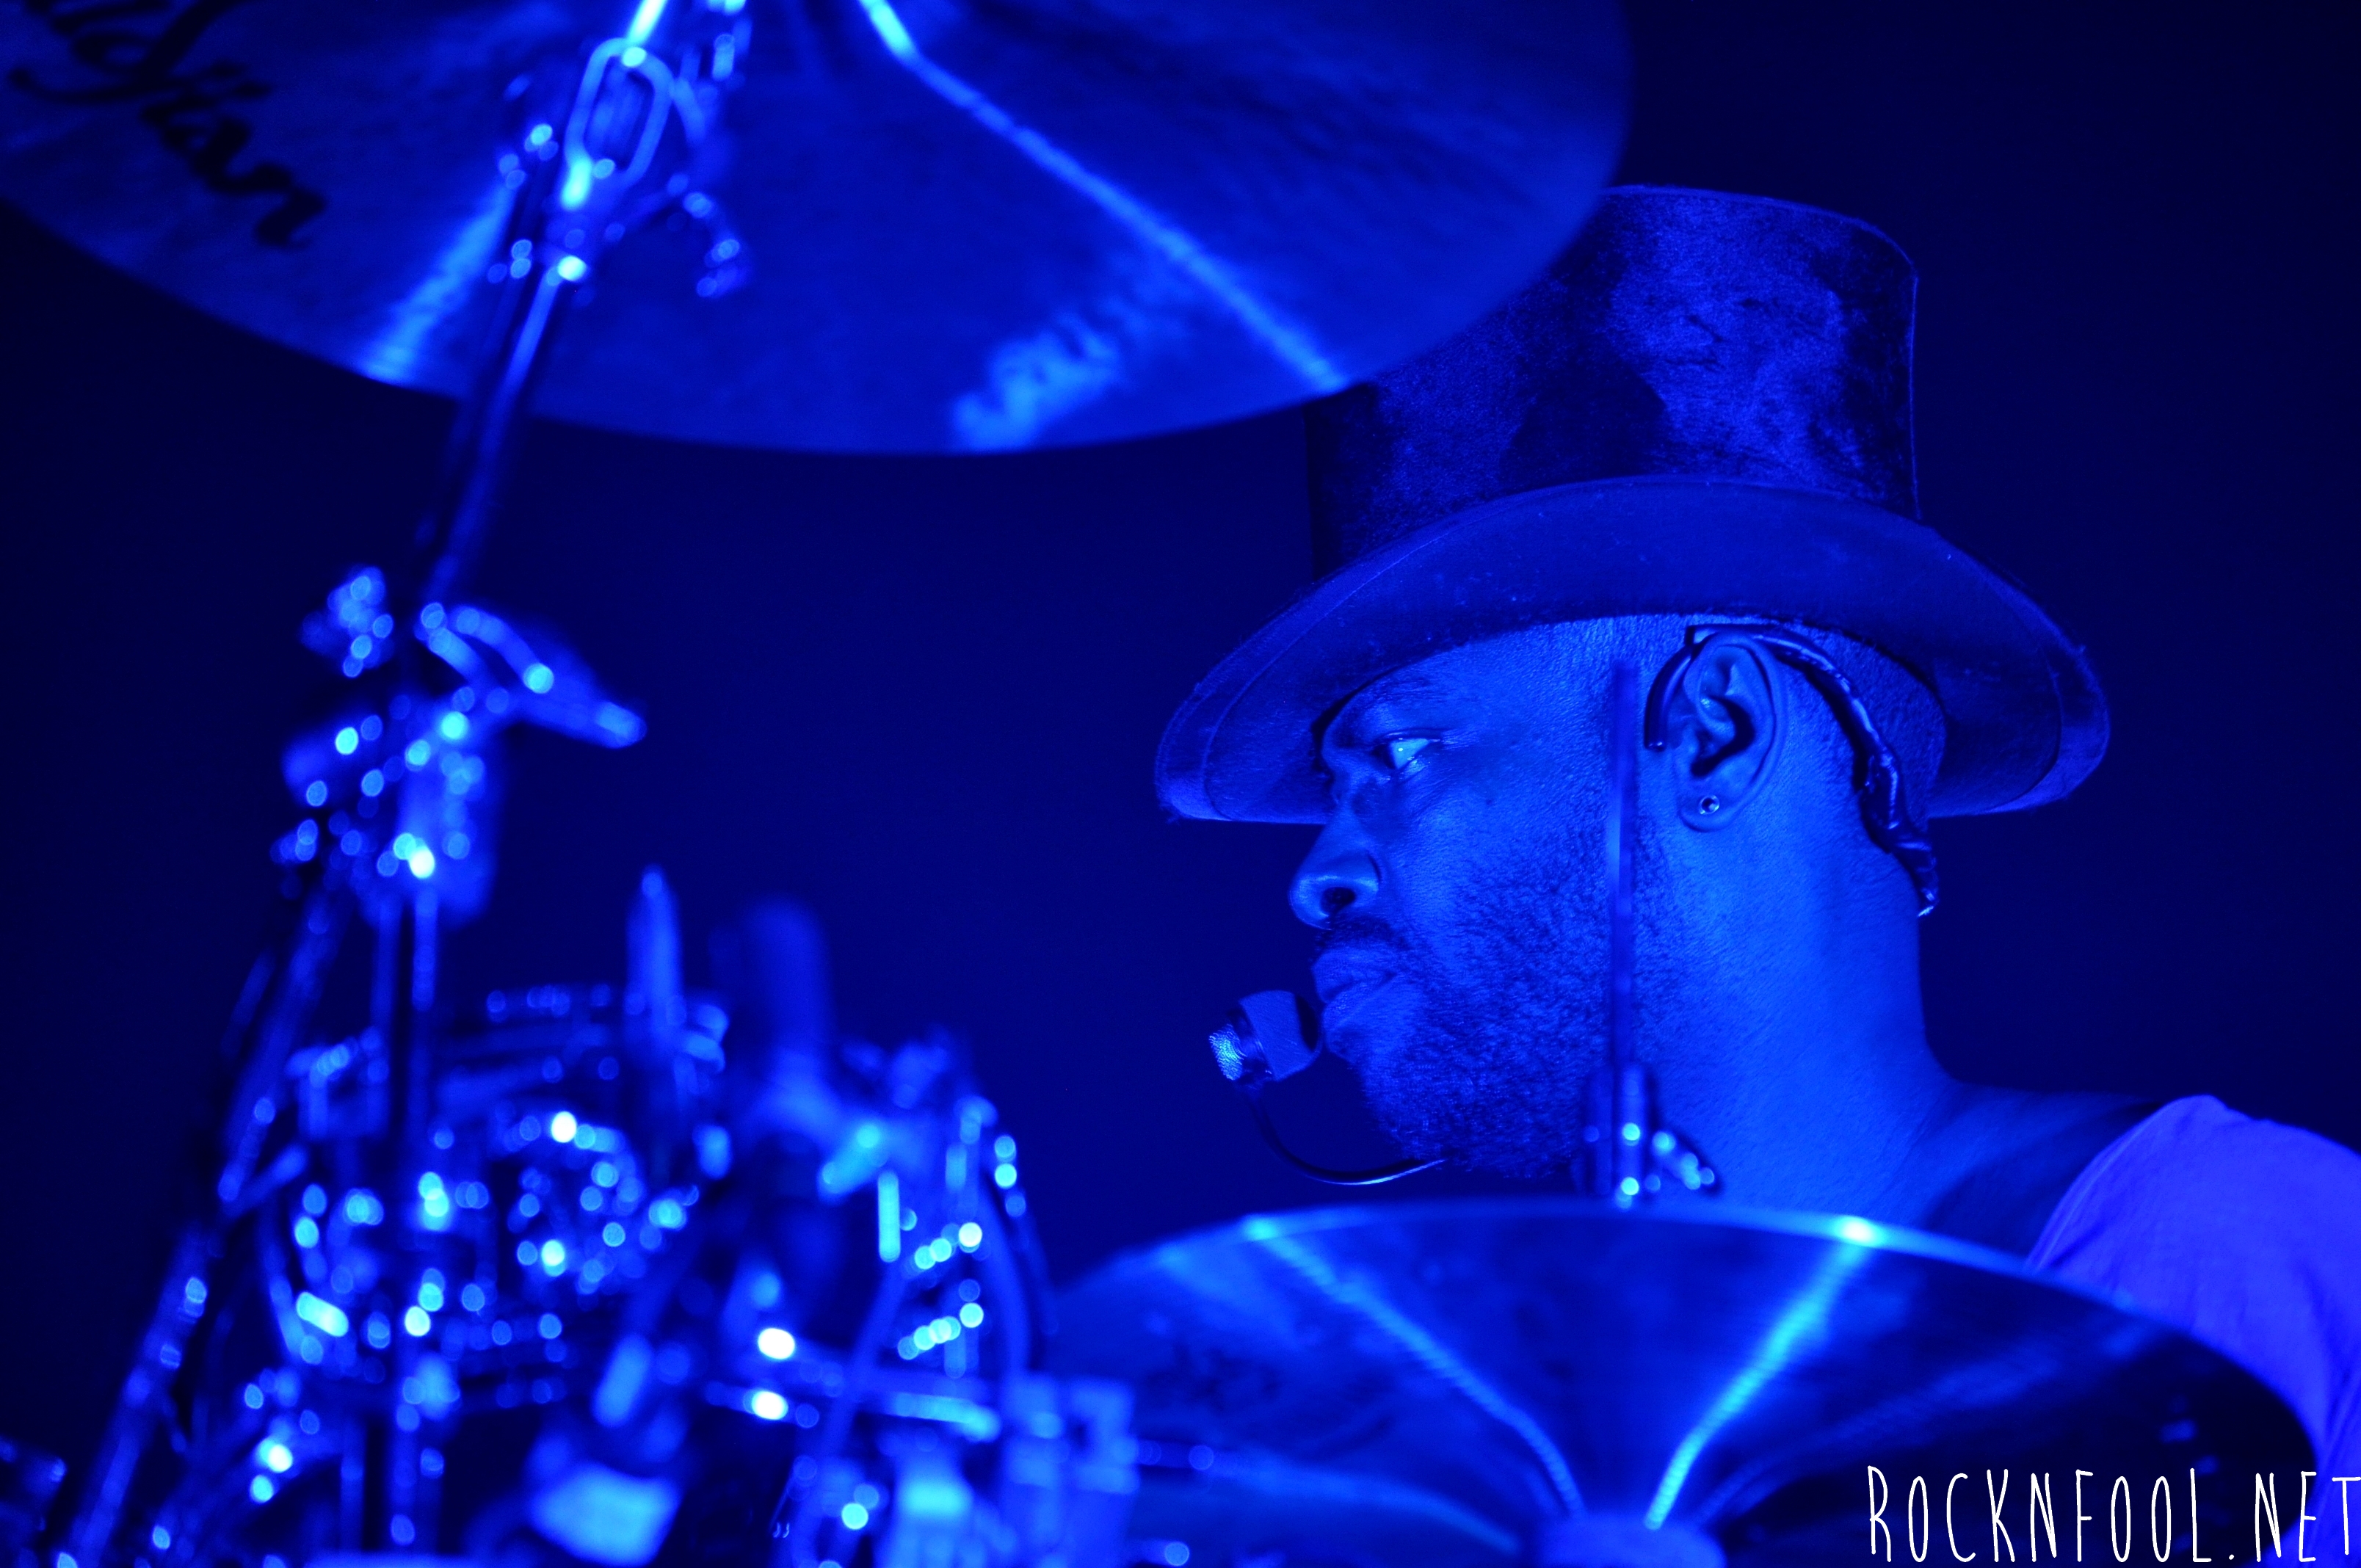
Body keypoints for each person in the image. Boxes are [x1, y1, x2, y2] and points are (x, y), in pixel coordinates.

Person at [1156, 187, 2361, 1478]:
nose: (1316, 878)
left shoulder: (2214, 1249)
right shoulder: (1482, 1437)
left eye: (1400, 757)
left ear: (1714, 735)